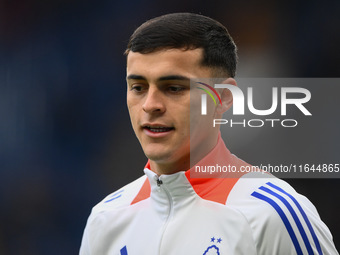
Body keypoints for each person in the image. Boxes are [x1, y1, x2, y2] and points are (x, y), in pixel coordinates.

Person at [80, 13, 338, 254]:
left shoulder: (273, 214)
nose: (150, 104)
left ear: (223, 98)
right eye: (138, 87)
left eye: (174, 88)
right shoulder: (105, 219)